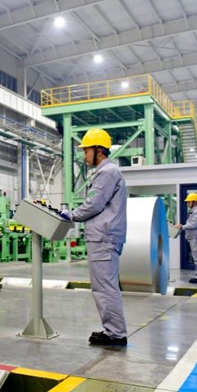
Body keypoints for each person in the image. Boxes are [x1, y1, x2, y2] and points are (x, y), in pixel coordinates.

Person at [59, 128, 128, 346]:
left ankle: (115, 333)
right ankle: (113, 330)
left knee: (105, 287)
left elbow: (94, 204)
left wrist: (71, 215)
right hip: (103, 238)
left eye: (87, 150)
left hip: (103, 238)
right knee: (104, 286)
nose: (84, 155)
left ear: (99, 150)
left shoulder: (107, 173)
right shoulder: (107, 172)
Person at [175, 193, 197, 284]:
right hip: (194, 238)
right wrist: (183, 226)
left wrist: (182, 227)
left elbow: (193, 225)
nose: (187, 203)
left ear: (194, 202)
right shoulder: (194, 211)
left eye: (189, 202)